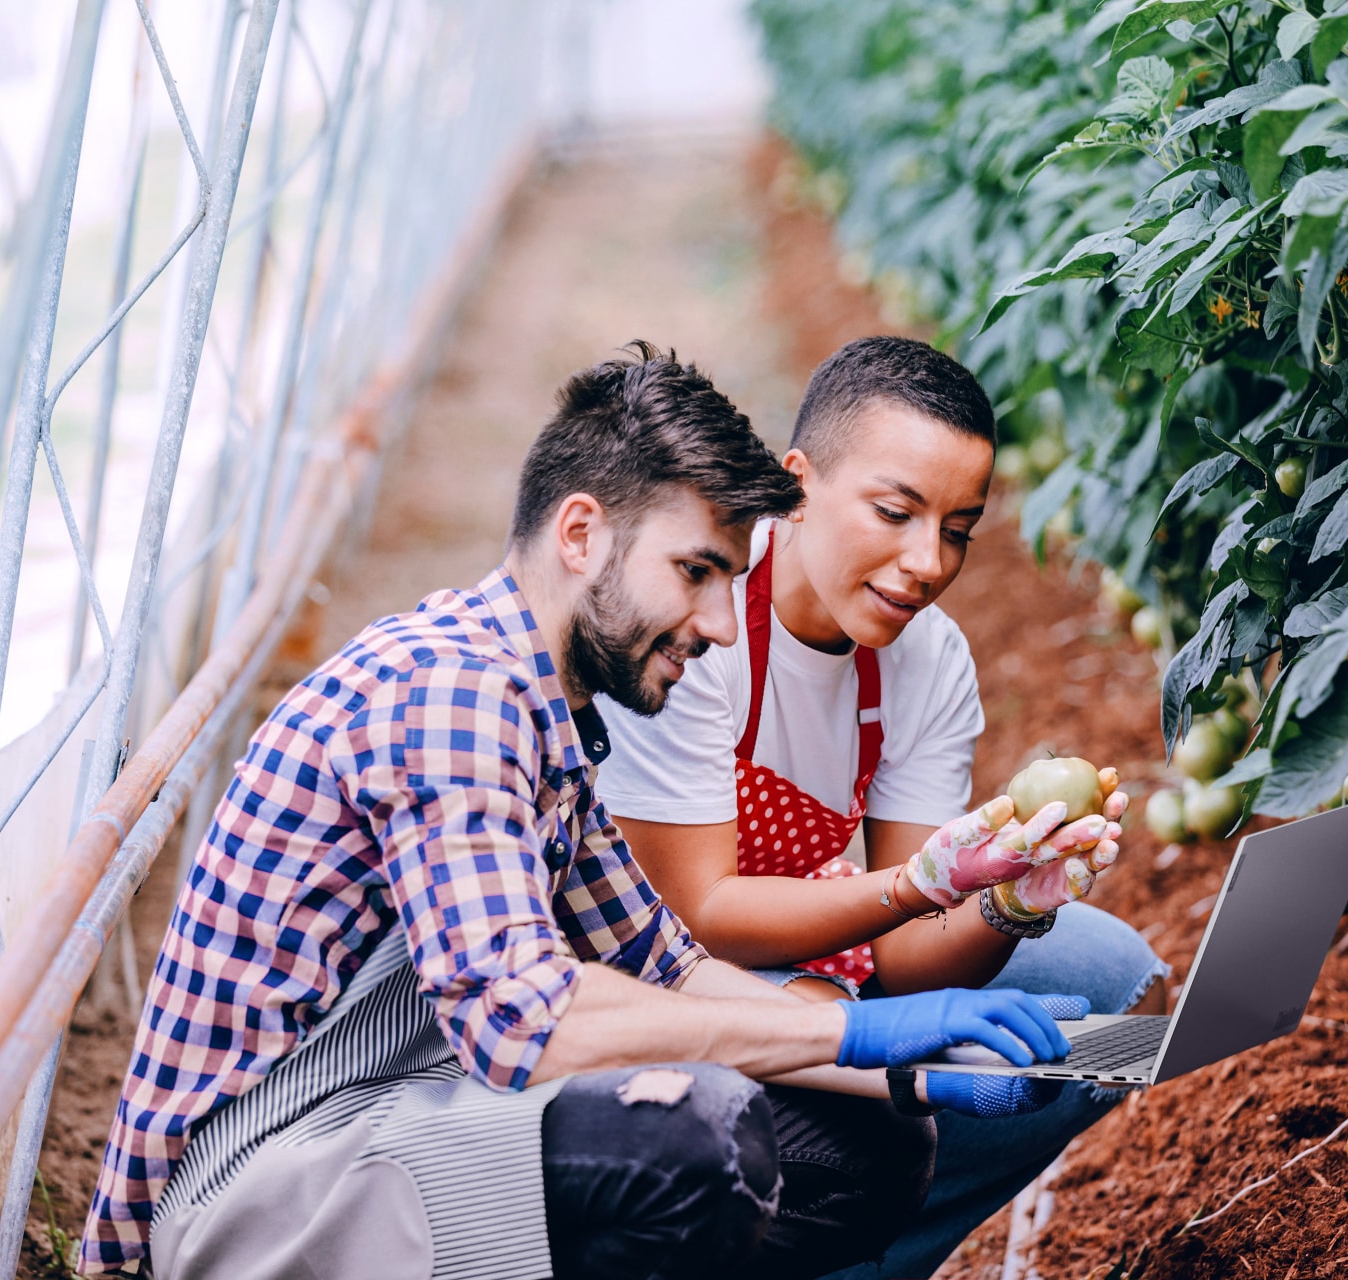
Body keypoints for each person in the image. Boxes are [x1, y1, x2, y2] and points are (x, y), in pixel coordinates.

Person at [77, 343, 1095, 1280]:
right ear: (581, 533)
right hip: (262, 1182)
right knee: (694, 1140)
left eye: (725, 581)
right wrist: (868, 1035)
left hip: (395, 1105)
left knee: (862, 1140)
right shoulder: (451, 699)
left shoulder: (548, 721)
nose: (710, 621)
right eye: (694, 572)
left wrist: (906, 1068)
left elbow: (669, 962)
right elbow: (525, 1019)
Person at [595, 336, 1170, 1279]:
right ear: (800, 482)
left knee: (1109, 983)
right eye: (895, 512)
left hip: (828, 923)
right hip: (662, 959)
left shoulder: (925, 659)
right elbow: (696, 915)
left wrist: (1006, 902)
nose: (926, 561)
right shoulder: (701, 622)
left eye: (957, 528)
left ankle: (869, 1258)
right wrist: (915, 885)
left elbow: (903, 965)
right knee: (845, 1070)